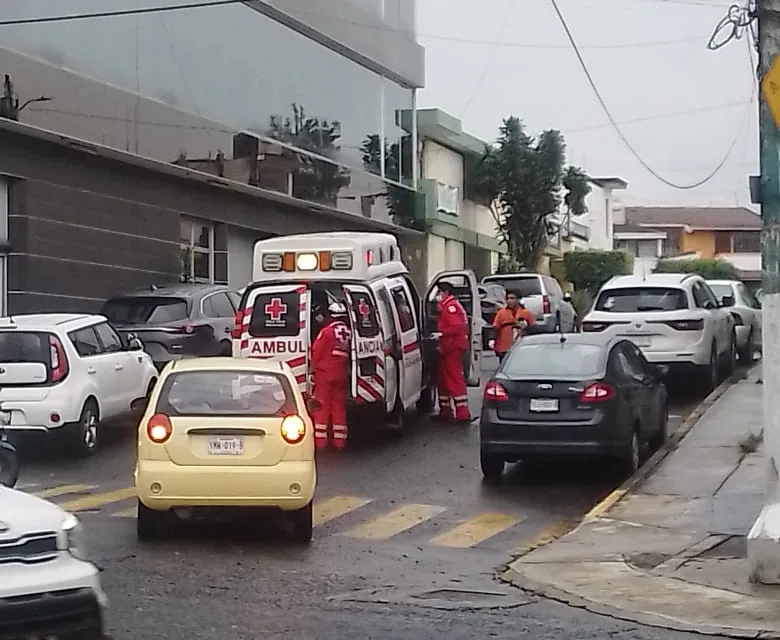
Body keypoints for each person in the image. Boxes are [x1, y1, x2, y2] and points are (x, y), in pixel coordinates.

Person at [310, 301, 351, 450]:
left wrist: (311, 369)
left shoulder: (326, 332)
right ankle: (339, 441)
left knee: (321, 406)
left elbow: (317, 351)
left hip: (325, 375)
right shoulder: (348, 332)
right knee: (339, 407)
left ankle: (320, 442)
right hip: (341, 374)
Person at [435, 282, 471, 424]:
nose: (438, 296)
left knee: (454, 378)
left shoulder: (451, 307)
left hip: (452, 347)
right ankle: (445, 410)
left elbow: (456, 326)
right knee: (442, 379)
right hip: (446, 348)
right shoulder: (448, 306)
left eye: (439, 292)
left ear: (445, 292)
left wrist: (441, 334)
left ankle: (462, 413)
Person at [492, 290, 536, 363]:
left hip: (521, 347)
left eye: (512, 298)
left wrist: (526, 326)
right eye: (507, 298)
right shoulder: (501, 313)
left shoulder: (526, 313)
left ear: (518, 299)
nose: (509, 301)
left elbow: (534, 329)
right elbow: (496, 327)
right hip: (504, 348)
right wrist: (492, 340)